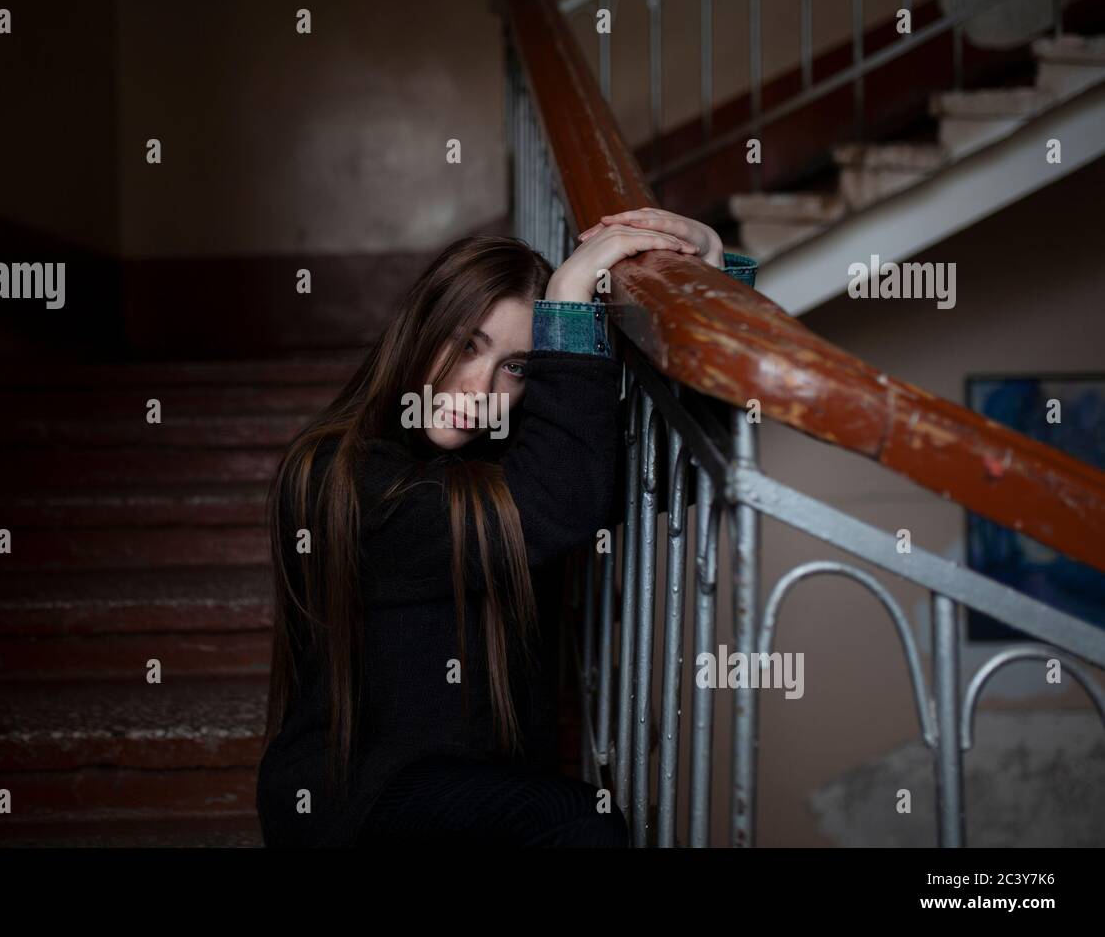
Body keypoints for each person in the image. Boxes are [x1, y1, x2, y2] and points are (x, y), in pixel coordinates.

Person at [256, 208, 758, 847]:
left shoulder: (513, 459)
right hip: (352, 801)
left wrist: (716, 270)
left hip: (473, 798)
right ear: (419, 329)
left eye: (518, 366)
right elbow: (551, 505)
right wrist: (570, 301)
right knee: (581, 823)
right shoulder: (335, 478)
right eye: (467, 344)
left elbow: (693, 456)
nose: (481, 388)